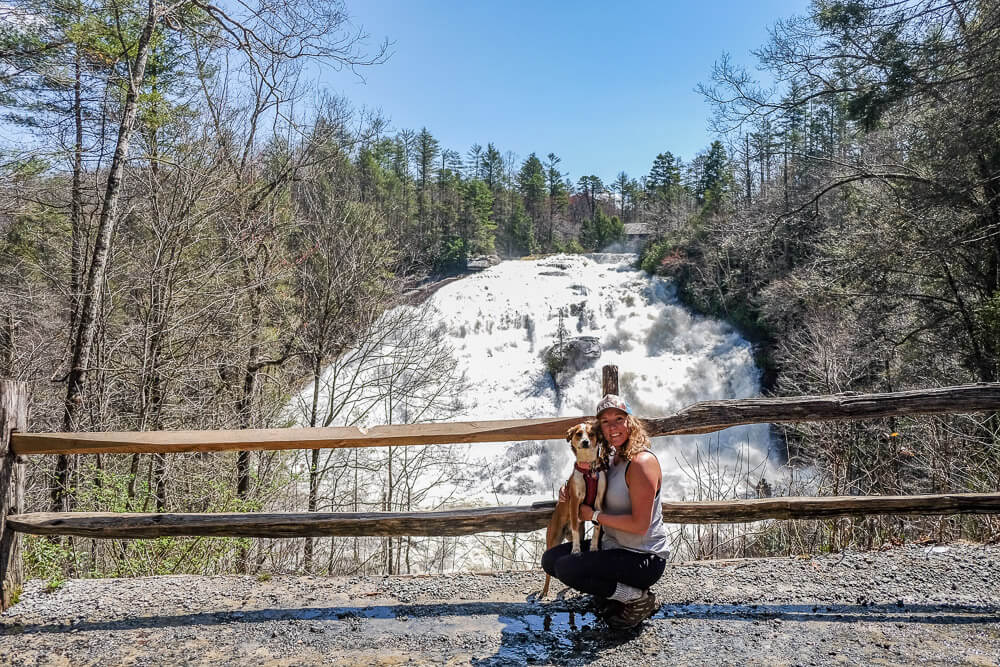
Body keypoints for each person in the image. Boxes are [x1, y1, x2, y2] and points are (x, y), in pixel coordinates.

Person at [541, 394, 669, 629]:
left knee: (567, 568)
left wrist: (594, 516)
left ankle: (637, 599)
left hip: (642, 557)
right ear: (600, 430)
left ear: (630, 422)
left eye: (619, 419)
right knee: (551, 559)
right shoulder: (609, 457)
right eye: (606, 422)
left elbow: (640, 525)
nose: (613, 427)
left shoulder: (641, 463)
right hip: (613, 546)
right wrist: (567, 487)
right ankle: (612, 595)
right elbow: (585, 480)